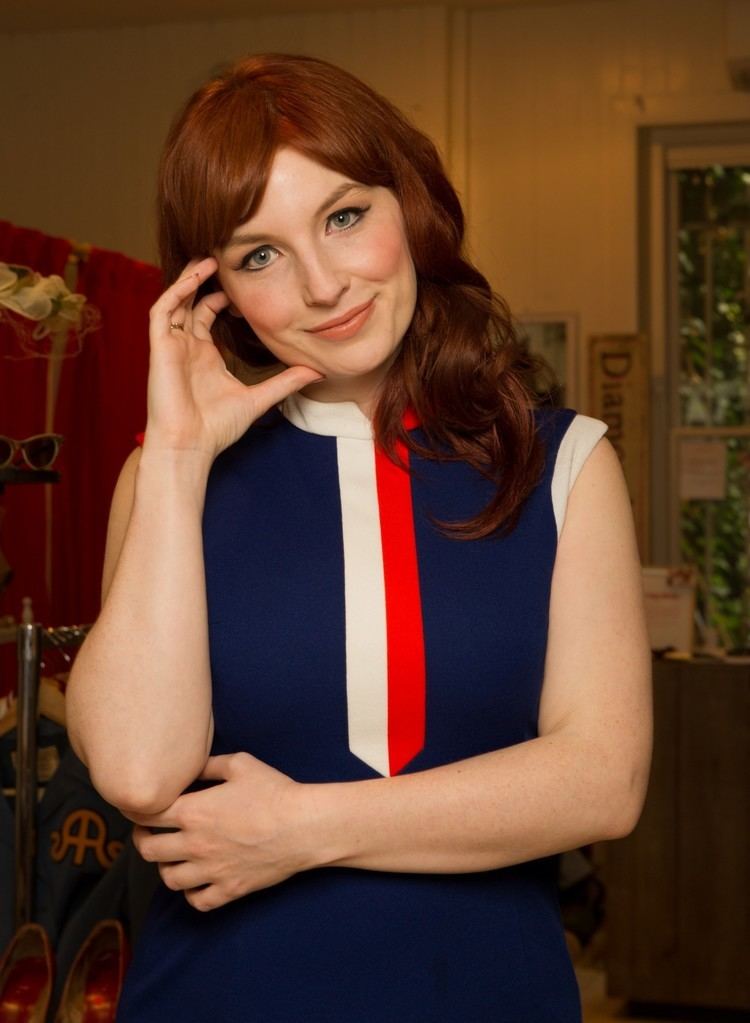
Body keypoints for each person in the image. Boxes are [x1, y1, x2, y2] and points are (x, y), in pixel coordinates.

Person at [66, 53, 652, 1022]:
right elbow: (136, 771)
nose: (323, 283)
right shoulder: (169, 476)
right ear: (213, 291)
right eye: (260, 255)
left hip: (489, 996)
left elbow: (601, 783)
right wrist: (175, 456)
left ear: (408, 204)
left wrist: (299, 827)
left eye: (344, 217)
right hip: (219, 998)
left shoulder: (566, 463)